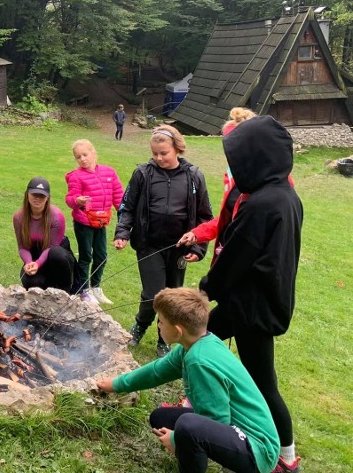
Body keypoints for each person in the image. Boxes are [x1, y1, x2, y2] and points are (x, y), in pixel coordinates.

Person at [198, 116, 303, 473]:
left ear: (258, 158)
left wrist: (205, 289)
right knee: (202, 343)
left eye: (240, 157)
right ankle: (209, 407)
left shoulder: (263, 204)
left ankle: (286, 457)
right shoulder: (285, 195)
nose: (235, 165)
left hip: (253, 308)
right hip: (257, 300)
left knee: (262, 382)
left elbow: (237, 257)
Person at [97, 288, 280, 473]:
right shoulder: (193, 345)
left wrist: (176, 439)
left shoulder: (199, 362)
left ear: (178, 331)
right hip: (234, 429)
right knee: (160, 417)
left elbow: (217, 420)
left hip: (258, 450)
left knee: (188, 427)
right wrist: (116, 384)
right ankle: (190, 449)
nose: (158, 325)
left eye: (161, 321)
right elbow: (156, 371)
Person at [113, 125, 213, 357]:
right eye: (155, 153)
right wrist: (122, 233)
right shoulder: (143, 173)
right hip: (149, 244)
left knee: (174, 294)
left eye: (164, 153)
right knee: (153, 293)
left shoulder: (194, 176)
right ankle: (140, 325)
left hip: (179, 247)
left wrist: (198, 247)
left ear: (177, 149)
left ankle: (163, 340)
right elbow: (126, 206)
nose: (159, 158)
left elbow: (204, 215)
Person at [177, 107, 263, 266]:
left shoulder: (269, 180)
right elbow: (228, 219)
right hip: (228, 254)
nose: (229, 152)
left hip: (249, 263)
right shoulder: (233, 175)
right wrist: (197, 233)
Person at [65, 139, 123, 305]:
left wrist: (124, 213)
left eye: (85, 154)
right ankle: (84, 290)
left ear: (93, 153)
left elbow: (118, 196)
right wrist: (78, 200)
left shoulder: (109, 173)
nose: (82, 159)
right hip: (84, 223)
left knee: (102, 256)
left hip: (101, 222)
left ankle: (96, 286)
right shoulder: (76, 176)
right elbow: (69, 199)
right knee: (86, 257)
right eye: (78, 157)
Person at [13, 177, 76, 293]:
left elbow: (52, 247)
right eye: (34, 194)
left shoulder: (56, 216)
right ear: (27, 194)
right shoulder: (18, 217)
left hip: (56, 255)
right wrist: (29, 263)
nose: (37, 198)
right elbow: (22, 247)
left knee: (56, 253)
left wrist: (38, 263)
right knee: (29, 281)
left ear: (47, 198)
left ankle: (66, 292)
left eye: (41, 196)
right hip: (35, 255)